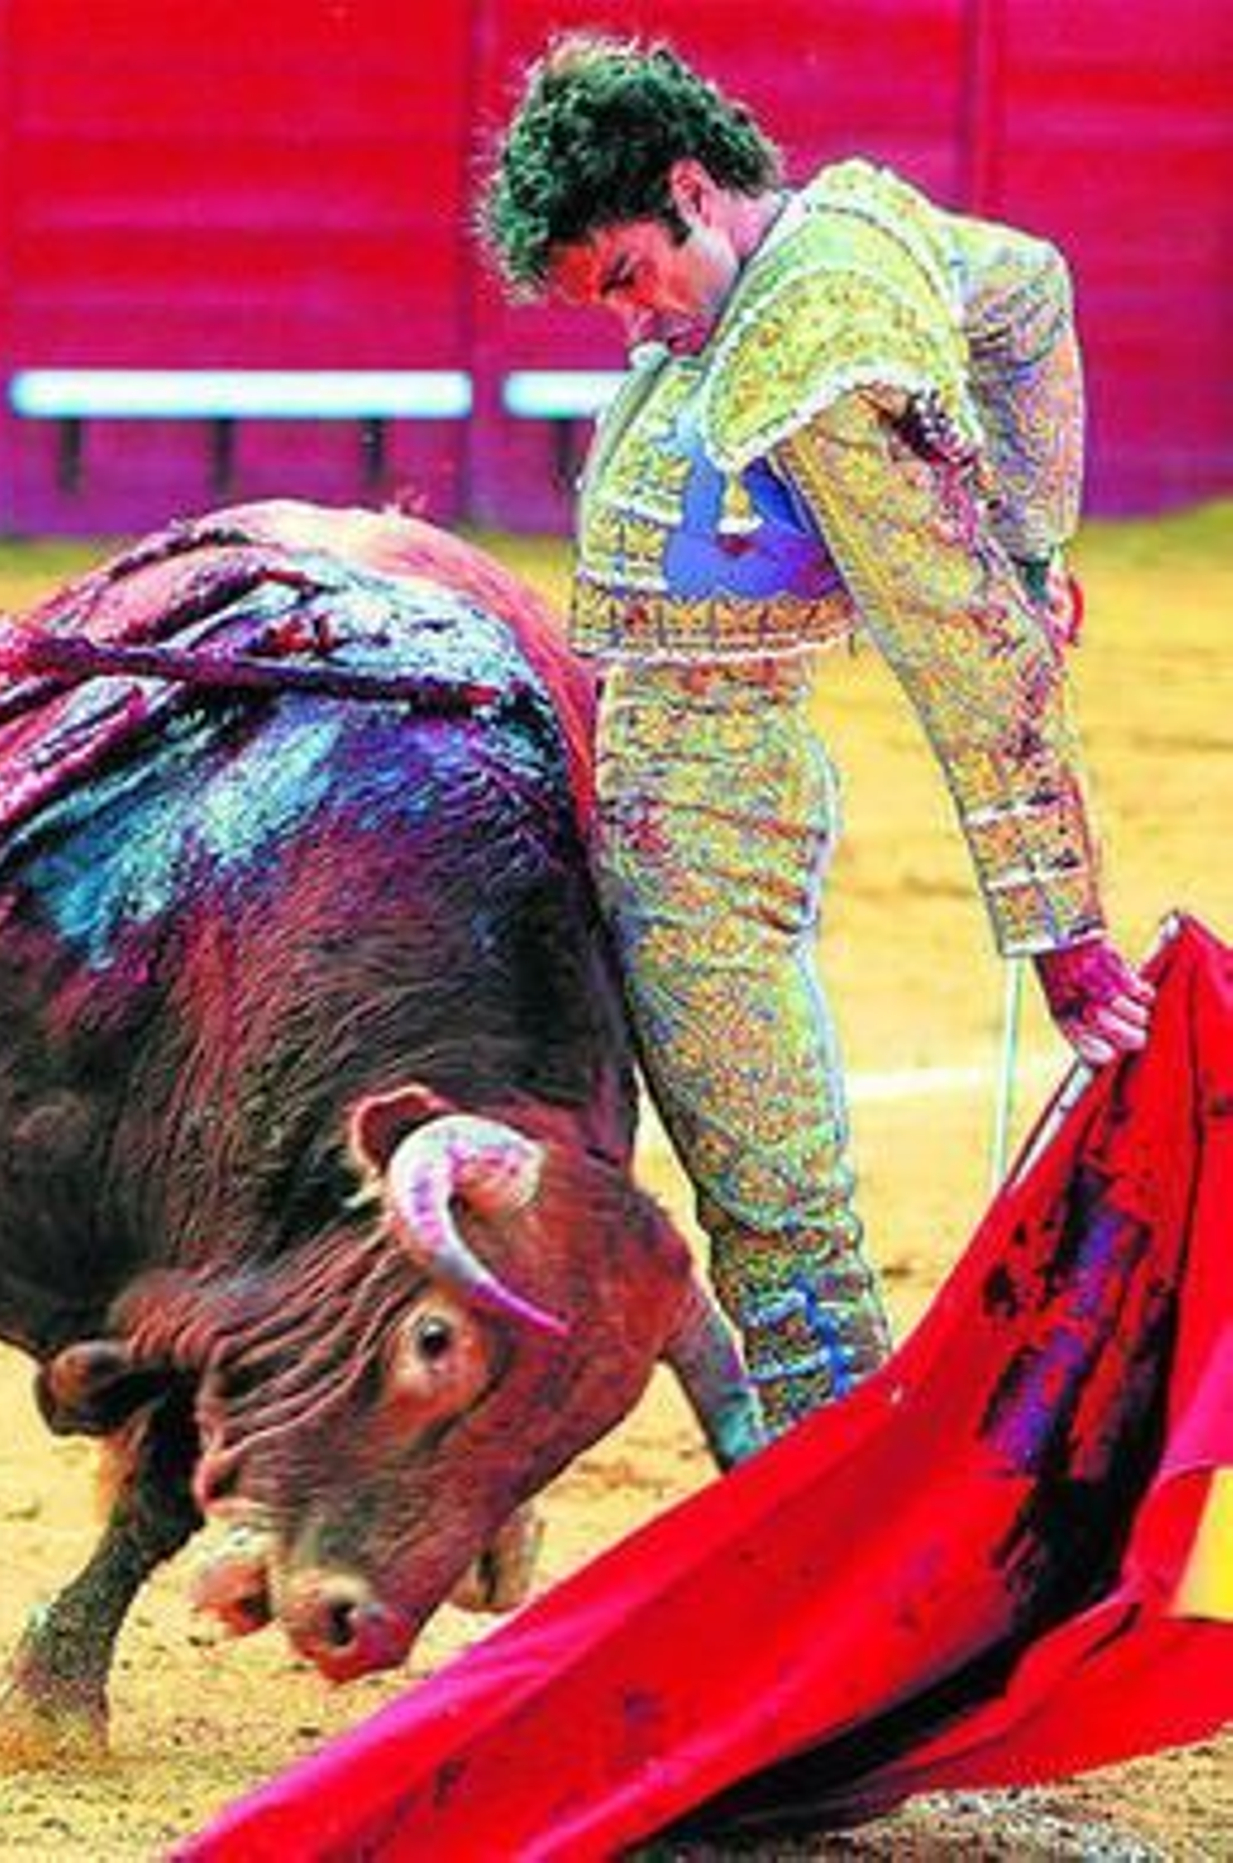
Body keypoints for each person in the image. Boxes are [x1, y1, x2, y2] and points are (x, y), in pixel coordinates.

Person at [478, 33, 1154, 1444]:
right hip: (636, 770)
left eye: (627, 275)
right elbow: (1028, 288)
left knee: (775, 1222)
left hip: (705, 811)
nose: (636, 324)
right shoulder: (835, 232)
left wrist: (1062, 932)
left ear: (689, 189)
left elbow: (964, 649)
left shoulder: (822, 353)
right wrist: (1031, 539)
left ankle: (842, 1536)